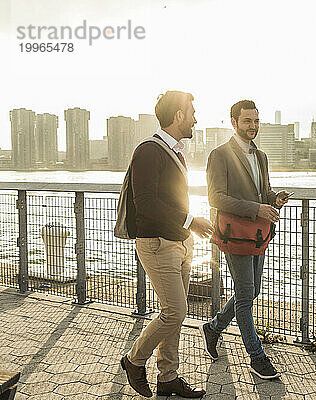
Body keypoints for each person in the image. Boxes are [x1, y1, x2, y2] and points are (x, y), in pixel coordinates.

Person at [120, 91, 213, 398]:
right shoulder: (149, 150)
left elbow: (169, 197)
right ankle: (134, 360)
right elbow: (145, 203)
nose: (195, 118)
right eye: (192, 112)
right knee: (175, 311)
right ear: (178, 116)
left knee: (174, 312)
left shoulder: (173, 150)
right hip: (158, 244)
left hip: (180, 243)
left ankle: (168, 377)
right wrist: (190, 221)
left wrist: (187, 229)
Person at [204, 99, 291, 380]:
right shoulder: (220, 155)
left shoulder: (261, 156)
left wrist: (273, 199)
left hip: (257, 235)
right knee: (245, 295)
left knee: (250, 291)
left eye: (256, 121)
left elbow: (263, 192)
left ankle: (214, 327)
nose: (253, 126)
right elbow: (216, 197)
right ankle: (257, 357)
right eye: (247, 121)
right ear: (234, 122)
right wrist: (257, 208)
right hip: (234, 235)